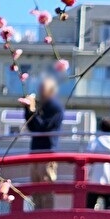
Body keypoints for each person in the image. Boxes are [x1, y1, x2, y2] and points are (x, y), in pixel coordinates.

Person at [24, 77, 65, 209]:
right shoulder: (43, 106)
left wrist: (31, 110)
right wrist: (27, 110)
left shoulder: (55, 107)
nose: (40, 92)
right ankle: (37, 218)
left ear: (51, 90)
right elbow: (32, 127)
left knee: (46, 187)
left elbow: (43, 127)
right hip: (35, 151)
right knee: (36, 188)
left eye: (43, 89)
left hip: (47, 153)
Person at [87, 118, 110, 211]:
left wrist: (87, 175)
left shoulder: (95, 141)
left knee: (89, 206)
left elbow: (88, 161)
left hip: (95, 180)